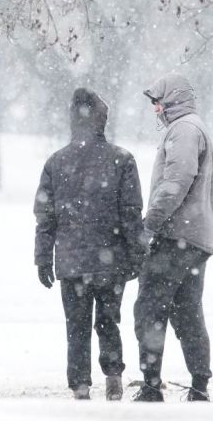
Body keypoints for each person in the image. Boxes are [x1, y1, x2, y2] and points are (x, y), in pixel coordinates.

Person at [34, 87, 145, 401]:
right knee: (109, 320)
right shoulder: (121, 160)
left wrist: (43, 258)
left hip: (71, 262)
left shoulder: (56, 163)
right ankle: (113, 374)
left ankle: (81, 383)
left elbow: (45, 217)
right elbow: (130, 212)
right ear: (102, 120)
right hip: (110, 260)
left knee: (77, 325)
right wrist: (136, 251)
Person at [132, 73, 213, 403]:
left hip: (175, 237)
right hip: (196, 238)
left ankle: (151, 385)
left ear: (173, 101)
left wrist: (149, 224)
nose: (155, 110)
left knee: (150, 309)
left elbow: (175, 183)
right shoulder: (191, 127)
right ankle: (199, 384)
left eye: (158, 103)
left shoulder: (184, 130)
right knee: (188, 312)